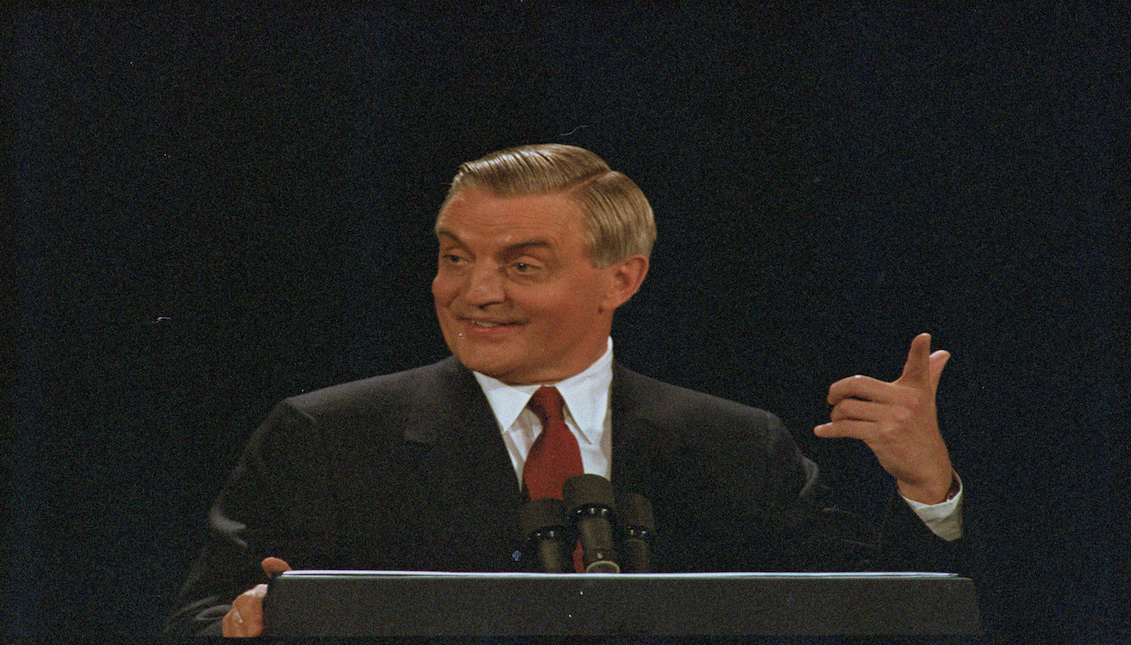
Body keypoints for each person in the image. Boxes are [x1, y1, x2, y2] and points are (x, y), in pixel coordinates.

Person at [165, 144, 968, 638]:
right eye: (453, 257)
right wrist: (243, 626)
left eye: (521, 265)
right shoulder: (326, 435)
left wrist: (924, 486)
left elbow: (870, 616)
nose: (473, 291)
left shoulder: (733, 443)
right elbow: (202, 616)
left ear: (620, 277)